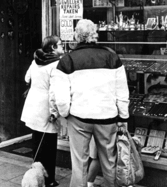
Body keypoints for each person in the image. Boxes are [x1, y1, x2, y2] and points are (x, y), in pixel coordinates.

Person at [51, 19, 129, 187]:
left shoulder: (67, 60)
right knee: (109, 163)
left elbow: (61, 98)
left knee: (79, 165)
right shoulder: (112, 57)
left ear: (76, 36)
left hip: (79, 118)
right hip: (107, 118)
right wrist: (123, 118)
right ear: (95, 34)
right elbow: (122, 92)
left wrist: (65, 114)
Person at [21, 35, 65, 187]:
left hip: (33, 103)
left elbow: (27, 78)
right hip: (45, 105)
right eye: (60, 45)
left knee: (37, 141)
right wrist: (54, 112)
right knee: (49, 145)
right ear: (53, 47)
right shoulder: (56, 64)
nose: (62, 48)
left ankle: (36, 175)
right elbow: (53, 91)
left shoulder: (35, 61)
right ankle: (49, 179)